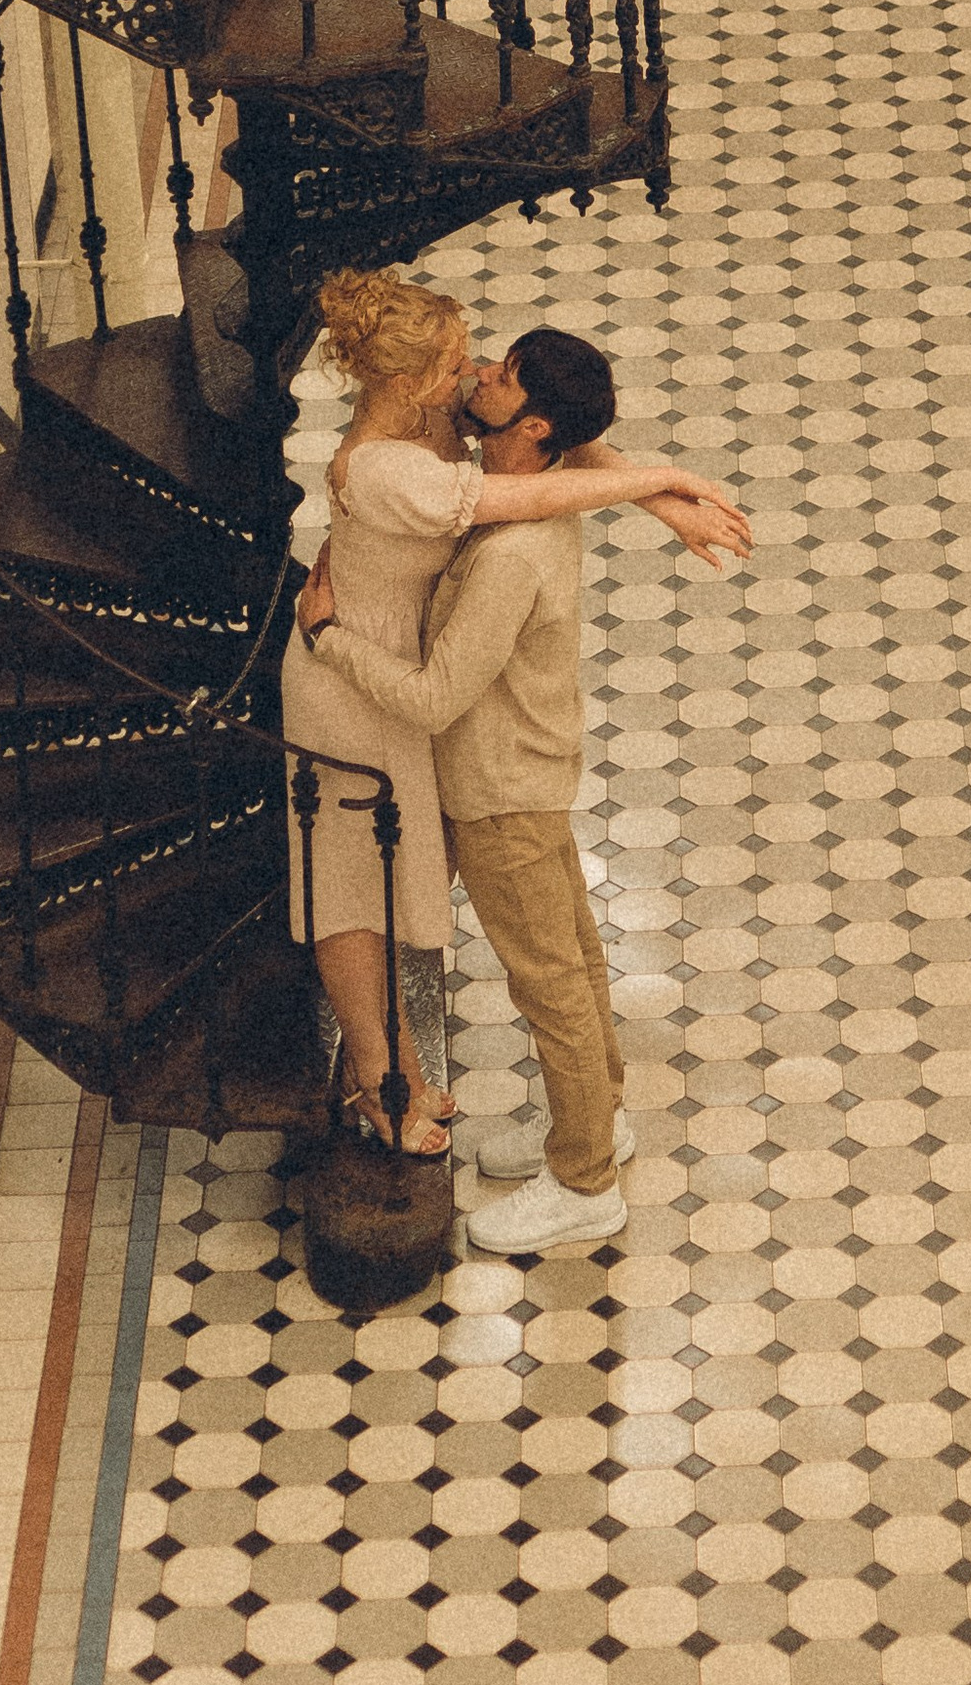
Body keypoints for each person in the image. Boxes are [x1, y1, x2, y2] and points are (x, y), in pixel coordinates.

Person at [295, 322, 743, 1254]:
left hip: (498, 796)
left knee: (551, 990)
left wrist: (330, 637)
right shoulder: (533, 483)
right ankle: (598, 1125)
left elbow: (434, 697)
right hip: (530, 772)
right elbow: (584, 449)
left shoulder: (508, 553)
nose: (477, 377)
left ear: (532, 426)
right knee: (573, 960)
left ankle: (584, 1182)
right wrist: (665, 494)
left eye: (500, 377)